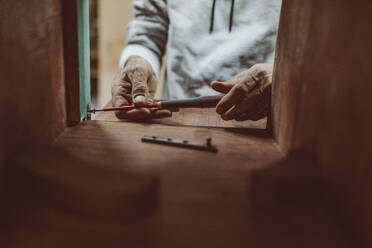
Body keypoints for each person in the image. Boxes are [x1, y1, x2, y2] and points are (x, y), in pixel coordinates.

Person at [112, 0, 281, 120]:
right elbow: (149, 28)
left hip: (265, 120)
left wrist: (282, 76)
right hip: (175, 117)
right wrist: (137, 60)